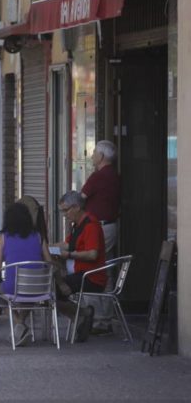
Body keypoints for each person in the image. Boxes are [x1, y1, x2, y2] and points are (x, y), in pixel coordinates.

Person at [0, 202, 53, 346]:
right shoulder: (38, 236)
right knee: (29, 295)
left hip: (13, 287)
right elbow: (50, 263)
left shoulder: (2, 238)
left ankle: (20, 325)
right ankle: (21, 325)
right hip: (40, 287)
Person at [53, 191, 107, 342]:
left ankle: (82, 315)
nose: (64, 214)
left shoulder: (91, 225)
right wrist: (47, 247)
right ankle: (81, 315)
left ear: (76, 207)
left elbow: (92, 254)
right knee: (52, 288)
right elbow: (67, 244)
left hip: (90, 276)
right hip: (78, 273)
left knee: (52, 291)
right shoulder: (77, 225)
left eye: (66, 210)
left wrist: (69, 255)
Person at [81, 140, 120, 334]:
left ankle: (96, 319)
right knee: (107, 271)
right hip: (111, 227)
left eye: (95, 152)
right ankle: (105, 319)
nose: (92, 155)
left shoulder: (98, 176)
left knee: (92, 270)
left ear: (102, 156)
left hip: (100, 229)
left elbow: (80, 198)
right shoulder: (115, 176)